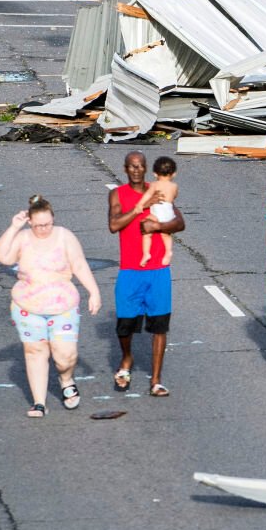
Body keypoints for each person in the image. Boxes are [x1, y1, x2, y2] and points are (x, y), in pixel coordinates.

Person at [0, 196, 102, 418]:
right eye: (39, 225)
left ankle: (66, 379)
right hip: (28, 305)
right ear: (30, 222)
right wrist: (14, 227)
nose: (44, 229)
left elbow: (79, 265)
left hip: (63, 306)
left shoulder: (64, 237)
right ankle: (39, 403)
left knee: (65, 356)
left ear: (53, 219)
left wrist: (94, 291)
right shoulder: (23, 238)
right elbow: (2, 256)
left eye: (48, 223)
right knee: (35, 352)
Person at [106, 151, 185, 408]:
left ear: (147, 168)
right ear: (126, 169)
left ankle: (156, 379)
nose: (137, 170)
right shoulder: (118, 194)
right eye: (132, 167)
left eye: (140, 166)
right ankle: (127, 358)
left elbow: (179, 222)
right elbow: (114, 224)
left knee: (160, 325)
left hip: (158, 270)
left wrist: (158, 227)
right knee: (125, 325)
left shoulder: (159, 189)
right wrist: (140, 209)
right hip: (130, 270)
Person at [138, 155, 179, 263]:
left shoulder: (154, 184)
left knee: (146, 230)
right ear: (174, 174)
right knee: (166, 235)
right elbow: (174, 196)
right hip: (168, 211)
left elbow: (147, 195)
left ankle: (146, 253)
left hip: (157, 211)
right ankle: (168, 252)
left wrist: (140, 204)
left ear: (155, 174)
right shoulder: (174, 186)